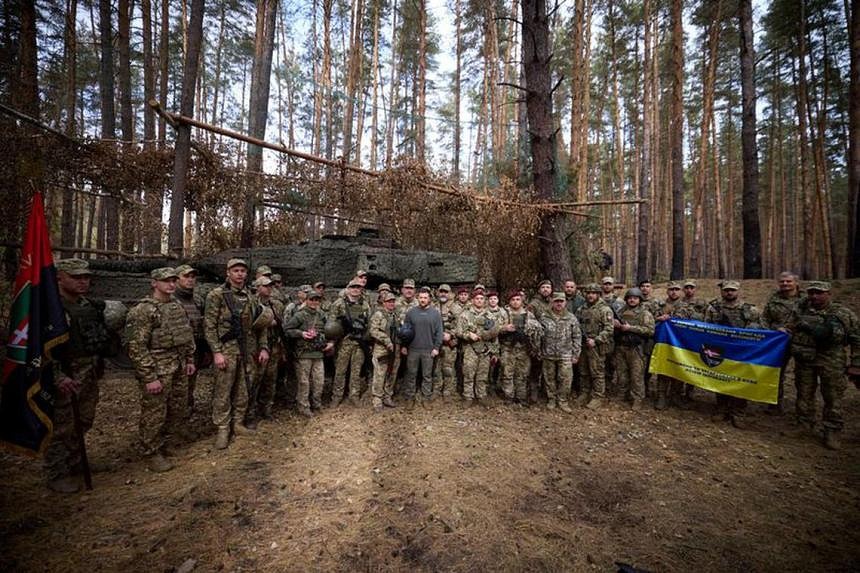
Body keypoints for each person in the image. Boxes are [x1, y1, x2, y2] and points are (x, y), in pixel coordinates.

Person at [45, 258, 112, 493]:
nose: (83, 282)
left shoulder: (88, 305)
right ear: (59, 278)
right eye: (76, 277)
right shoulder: (50, 309)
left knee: (84, 419)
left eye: (86, 277)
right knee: (63, 424)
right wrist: (57, 377)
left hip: (89, 369)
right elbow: (39, 349)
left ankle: (75, 461)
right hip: (66, 373)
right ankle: (57, 471)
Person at [125, 267, 196, 473]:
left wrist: (189, 359)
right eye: (166, 281)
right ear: (154, 283)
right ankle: (151, 451)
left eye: (174, 280)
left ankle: (166, 442)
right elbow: (136, 347)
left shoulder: (176, 306)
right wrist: (149, 377)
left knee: (177, 407)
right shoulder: (143, 311)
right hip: (158, 369)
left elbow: (186, 334)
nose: (171, 284)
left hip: (179, 366)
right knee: (154, 411)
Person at [785, 281, 860, 450]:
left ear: (828, 294)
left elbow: (857, 338)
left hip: (831, 361)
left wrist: (856, 363)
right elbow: (790, 327)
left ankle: (832, 430)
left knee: (832, 396)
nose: (814, 296)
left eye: (819, 293)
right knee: (803, 393)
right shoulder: (801, 310)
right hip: (805, 359)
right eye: (811, 293)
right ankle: (804, 424)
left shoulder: (842, 313)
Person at [204, 258, 270, 450]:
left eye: (242, 271)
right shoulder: (217, 295)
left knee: (244, 389)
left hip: (247, 350)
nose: (240, 274)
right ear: (228, 273)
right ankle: (223, 429)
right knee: (223, 390)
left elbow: (261, 325)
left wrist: (264, 347)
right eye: (236, 270)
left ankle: (237, 423)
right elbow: (209, 326)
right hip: (227, 350)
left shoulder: (250, 296)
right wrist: (216, 352)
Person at [704, 280, 761, 429]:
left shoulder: (750, 310)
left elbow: (757, 331)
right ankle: (722, 408)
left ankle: (738, 412)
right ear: (722, 291)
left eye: (733, 290)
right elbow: (706, 327)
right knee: (720, 379)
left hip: (741, 351)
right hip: (720, 349)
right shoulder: (714, 308)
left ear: (738, 291)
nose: (729, 293)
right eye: (727, 290)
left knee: (740, 381)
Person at [283, 291, 333, 416]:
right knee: (304, 382)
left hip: (318, 353)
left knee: (319, 381)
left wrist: (331, 342)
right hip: (304, 353)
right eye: (312, 299)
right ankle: (303, 407)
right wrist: (301, 334)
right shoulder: (300, 315)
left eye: (317, 300)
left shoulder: (322, 315)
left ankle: (316, 404)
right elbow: (287, 330)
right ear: (307, 300)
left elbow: (331, 330)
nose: (314, 302)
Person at [761, 272, 803, 414]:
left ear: (796, 283)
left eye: (788, 281)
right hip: (778, 342)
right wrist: (775, 330)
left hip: (802, 343)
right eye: (782, 281)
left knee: (803, 376)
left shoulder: (806, 300)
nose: (785, 284)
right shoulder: (773, 300)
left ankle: (803, 411)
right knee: (776, 373)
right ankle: (775, 404)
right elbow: (764, 319)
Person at [653, 281, 694, 410]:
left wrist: (671, 318)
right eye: (671, 289)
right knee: (663, 369)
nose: (674, 292)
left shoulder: (686, 306)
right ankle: (661, 397)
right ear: (667, 291)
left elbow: (690, 321)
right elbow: (650, 318)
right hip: (663, 342)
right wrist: (658, 318)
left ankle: (676, 396)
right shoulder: (659, 305)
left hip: (680, 344)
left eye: (676, 289)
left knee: (678, 369)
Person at [612, 288, 655, 411]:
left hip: (637, 349)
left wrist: (631, 328)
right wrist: (615, 325)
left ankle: (637, 399)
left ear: (639, 300)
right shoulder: (620, 312)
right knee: (622, 373)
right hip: (621, 347)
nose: (632, 300)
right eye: (630, 298)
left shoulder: (644, 313)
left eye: (635, 298)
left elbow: (650, 331)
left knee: (637, 376)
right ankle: (622, 395)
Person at [329, 279, 371, 406]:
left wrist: (367, 340)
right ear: (348, 289)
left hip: (359, 344)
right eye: (353, 287)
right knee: (340, 371)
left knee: (356, 371)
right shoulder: (338, 304)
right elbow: (331, 325)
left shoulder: (365, 305)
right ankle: (336, 397)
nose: (355, 289)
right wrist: (332, 341)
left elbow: (368, 324)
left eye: (358, 287)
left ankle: (354, 396)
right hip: (344, 343)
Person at [250, 275, 285, 423]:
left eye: (270, 286)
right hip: (257, 346)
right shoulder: (251, 304)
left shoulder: (276, 305)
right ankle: (250, 411)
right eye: (265, 286)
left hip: (274, 345)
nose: (269, 288)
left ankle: (266, 408)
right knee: (254, 380)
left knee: (271, 379)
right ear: (258, 288)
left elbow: (281, 324)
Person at [401, 287, 444, 408]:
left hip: (428, 350)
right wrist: (404, 346)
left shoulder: (435, 314)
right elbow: (405, 330)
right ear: (417, 298)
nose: (423, 300)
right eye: (421, 297)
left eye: (425, 298)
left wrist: (436, 347)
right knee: (411, 374)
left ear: (429, 299)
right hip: (413, 349)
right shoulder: (411, 312)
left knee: (427, 375)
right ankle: (410, 398)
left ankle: (426, 398)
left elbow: (439, 332)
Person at [539, 292, 582, 412]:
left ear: (565, 302)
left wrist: (576, 354)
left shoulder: (571, 317)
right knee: (549, 378)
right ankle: (551, 399)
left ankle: (563, 401)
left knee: (566, 379)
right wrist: (539, 350)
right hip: (548, 353)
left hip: (565, 354)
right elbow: (539, 336)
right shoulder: (544, 317)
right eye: (556, 301)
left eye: (561, 301)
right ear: (552, 302)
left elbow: (577, 336)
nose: (559, 303)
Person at [174, 264, 207, 416]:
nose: (190, 280)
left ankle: (187, 409)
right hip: (175, 351)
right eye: (186, 276)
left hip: (194, 349)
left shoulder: (198, 301)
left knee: (190, 382)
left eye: (193, 277)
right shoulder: (171, 300)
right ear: (177, 279)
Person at [456, 291, 500, 406]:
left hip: (485, 349)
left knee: (483, 374)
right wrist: (468, 335)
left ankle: (481, 396)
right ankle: (468, 397)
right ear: (472, 300)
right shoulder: (465, 314)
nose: (479, 300)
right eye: (477, 298)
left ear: (484, 301)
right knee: (468, 373)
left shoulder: (490, 316)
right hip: (470, 348)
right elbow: (459, 332)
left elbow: (495, 336)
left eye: (481, 298)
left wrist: (495, 352)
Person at [575, 283, 614, 409]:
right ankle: (584, 392)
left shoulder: (604, 310)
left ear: (598, 294)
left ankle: (598, 396)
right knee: (583, 371)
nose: (591, 295)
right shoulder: (581, 309)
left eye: (594, 293)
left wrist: (596, 340)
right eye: (588, 293)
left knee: (597, 372)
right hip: (583, 345)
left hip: (597, 346)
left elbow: (609, 329)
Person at [499, 290, 538, 405]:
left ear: (522, 301)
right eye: (513, 300)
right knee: (507, 373)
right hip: (508, 348)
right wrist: (504, 328)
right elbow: (495, 328)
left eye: (518, 300)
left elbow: (536, 330)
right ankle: (509, 396)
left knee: (522, 374)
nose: (515, 302)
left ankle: (521, 397)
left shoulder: (528, 314)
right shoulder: (503, 313)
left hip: (523, 348)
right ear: (509, 301)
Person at [368, 292, 399, 410]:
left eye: (392, 301)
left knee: (392, 373)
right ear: (383, 303)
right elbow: (373, 331)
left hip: (394, 349)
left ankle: (387, 396)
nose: (391, 303)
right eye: (388, 301)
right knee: (379, 374)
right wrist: (386, 340)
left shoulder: (395, 315)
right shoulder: (378, 315)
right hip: (381, 349)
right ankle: (377, 399)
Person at [433, 284, 459, 398]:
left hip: (449, 343)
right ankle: (436, 389)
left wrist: (451, 334)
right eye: (441, 291)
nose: (443, 294)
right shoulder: (433, 307)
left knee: (448, 368)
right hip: (436, 343)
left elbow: (461, 325)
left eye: (446, 292)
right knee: (436, 368)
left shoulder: (456, 308)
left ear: (450, 294)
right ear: (438, 293)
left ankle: (448, 390)